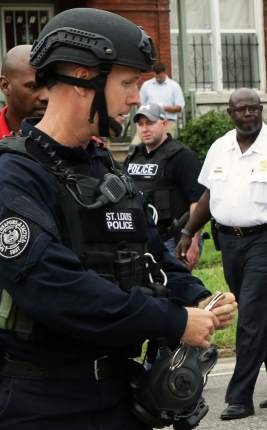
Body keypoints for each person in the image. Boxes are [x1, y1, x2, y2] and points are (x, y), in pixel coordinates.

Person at [0, 8, 236, 430]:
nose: (135, 99)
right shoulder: (15, 174)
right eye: (127, 83)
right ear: (80, 76)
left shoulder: (103, 168)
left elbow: (150, 252)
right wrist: (174, 320)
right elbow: (53, 286)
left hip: (118, 394)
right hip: (40, 402)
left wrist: (198, 297)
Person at [176, 88, 267, 420]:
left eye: (253, 108)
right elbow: (208, 195)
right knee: (260, 315)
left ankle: (239, 397)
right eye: (240, 110)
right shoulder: (220, 147)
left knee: (252, 318)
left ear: (261, 110)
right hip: (229, 243)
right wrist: (189, 232)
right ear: (230, 113)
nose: (248, 114)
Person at [123, 103, 204, 268]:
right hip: (140, 239)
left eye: (150, 123)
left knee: (175, 289)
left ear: (164, 123)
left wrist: (194, 241)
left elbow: (198, 202)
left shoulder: (182, 156)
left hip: (173, 240)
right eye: (140, 124)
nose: (145, 129)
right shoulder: (133, 156)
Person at [0, 44, 48, 137]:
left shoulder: (74, 137)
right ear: (5, 85)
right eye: (33, 86)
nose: (46, 96)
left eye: (51, 85)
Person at [137, 62, 184, 140]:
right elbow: (140, 104)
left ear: (165, 72)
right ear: (153, 73)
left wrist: (162, 108)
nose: (158, 78)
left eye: (160, 76)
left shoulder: (174, 86)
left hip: (168, 121)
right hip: (149, 121)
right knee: (137, 146)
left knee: (166, 146)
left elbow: (179, 107)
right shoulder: (147, 85)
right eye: (156, 76)